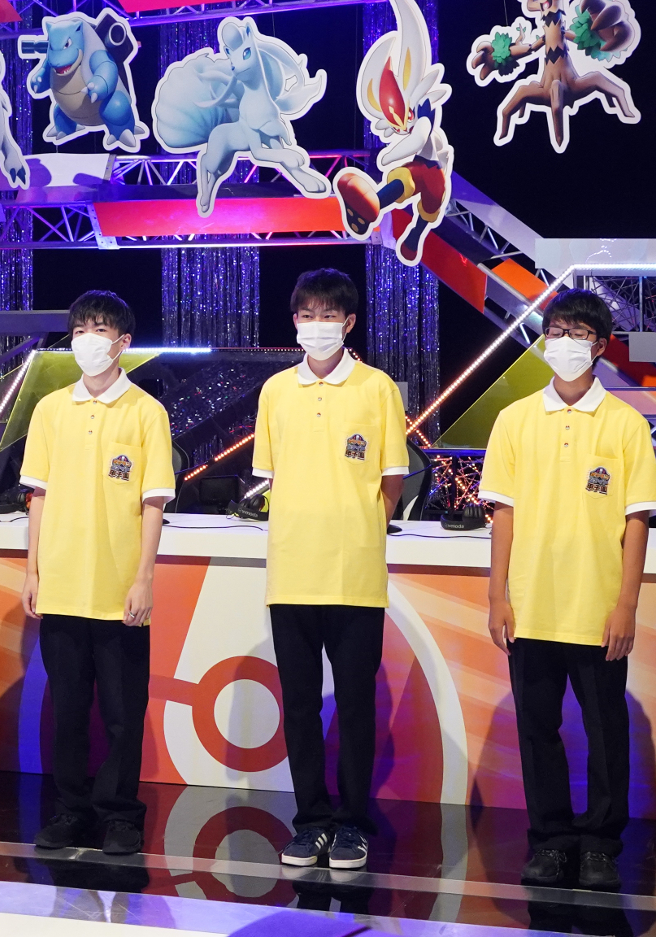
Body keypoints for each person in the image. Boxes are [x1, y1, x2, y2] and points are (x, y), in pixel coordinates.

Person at [479, 289, 656, 891]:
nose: (564, 343)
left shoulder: (625, 424)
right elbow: (502, 514)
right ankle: (552, 840)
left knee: (606, 732)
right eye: (555, 331)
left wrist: (626, 605)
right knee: (537, 729)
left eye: (578, 334)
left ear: (600, 346)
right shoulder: (515, 420)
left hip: (597, 608)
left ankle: (601, 844)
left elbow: (637, 520)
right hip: (531, 605)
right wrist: (498, 596)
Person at [253, 268, 409, 871]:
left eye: (328, 316)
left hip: (355, 576)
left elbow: (392, 479)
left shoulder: (376, 388)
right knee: (298, 704)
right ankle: (311, 821)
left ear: (349, 323)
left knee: (354, 704)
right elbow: (271, 476)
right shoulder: (276, 391)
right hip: (291, 572)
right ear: (295, 321)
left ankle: (352, 824)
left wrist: (363, 530)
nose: (316, 325)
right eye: (307, 315)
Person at [19, 291, 175, 856]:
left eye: (100, 329)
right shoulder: (50, 409)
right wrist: (33, 570)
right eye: (80, 329)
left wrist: (143, 579)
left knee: (122, 714)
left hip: (118, 588)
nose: (88, 339)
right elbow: (37, 496)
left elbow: (153, 503)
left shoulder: (146, 412)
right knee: (68, 710)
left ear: (122, 343)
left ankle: (120, 815)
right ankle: (71, 809)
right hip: (60, 584)